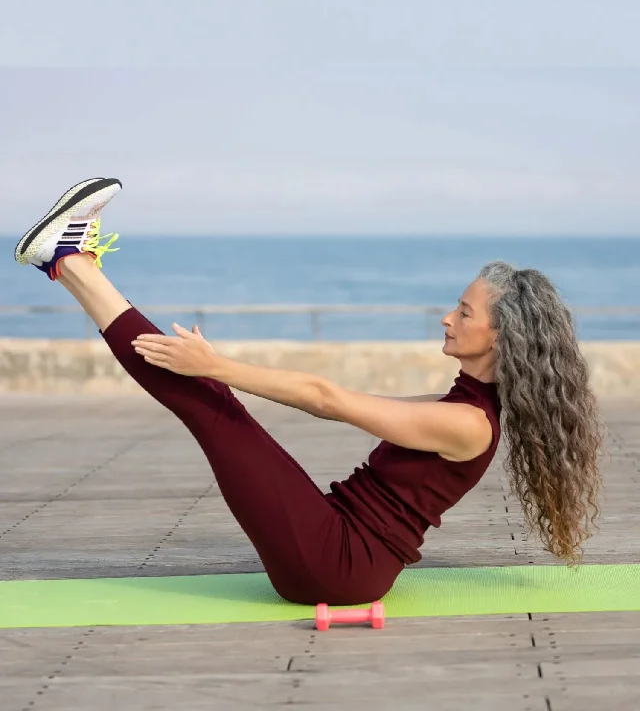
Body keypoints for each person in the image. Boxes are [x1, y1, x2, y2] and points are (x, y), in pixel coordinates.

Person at [14, 178, 606, 606]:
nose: (448, 318)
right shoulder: (463, 409)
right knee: (211, 402)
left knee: (212, 403)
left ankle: (70, 262)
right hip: (336, 542)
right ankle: (69, 263)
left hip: (337, 565)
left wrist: (214, 362)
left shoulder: (470, 425)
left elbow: (326, 397)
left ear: (499, 337)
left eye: (464, 310)